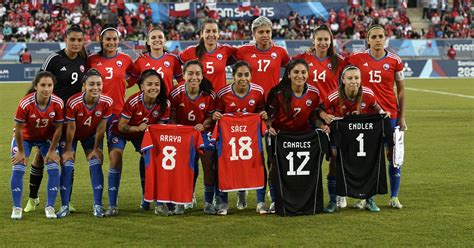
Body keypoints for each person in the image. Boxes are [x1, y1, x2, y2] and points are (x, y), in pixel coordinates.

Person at [24, 24, 87, 214]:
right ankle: (33, 198)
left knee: (69, 156)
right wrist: (27, 110)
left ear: (83, 41)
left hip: (71, 119)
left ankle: (67, 200)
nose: (75, 43)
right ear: (65, 39)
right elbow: (39, 84)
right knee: (41, 157)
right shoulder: (54, 59)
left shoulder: (84, 59)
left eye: (79, 40)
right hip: (50, 117)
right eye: (72, 39)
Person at [346, 24, 407, 210]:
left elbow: (402, 90)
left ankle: (394, 196)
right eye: (374, 37)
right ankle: (364, 196)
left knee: (393, 155)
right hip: (366, 116)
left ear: (385, 38)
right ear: (368, 39)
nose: (378, 40)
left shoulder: (395, 60)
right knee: (367, 157)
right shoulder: (356, 58)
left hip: (390, 115)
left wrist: (402, 117)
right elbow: (336, 63)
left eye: (381, 36)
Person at [319, 65, 388, 212]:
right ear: (343, 80)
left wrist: (383, 113)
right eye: (349, 78)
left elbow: (378, 109)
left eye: (356, 78)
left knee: (366, 163)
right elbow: (320, 109)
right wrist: (325, 117)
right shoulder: (334, 96)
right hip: (341, 136)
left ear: (361, 80)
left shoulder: (368, 94)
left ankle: (369, 199)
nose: (353, 81)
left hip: (361, 136)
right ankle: (332, 200)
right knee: (334, 161)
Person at [293, 24, 348, 210]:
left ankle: (336, 197)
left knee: (336, 157)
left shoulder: (339, 61)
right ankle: (310, 196)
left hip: (333, 115)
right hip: (310, 114)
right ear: (313, 41)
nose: (323, 43)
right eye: (320, 39)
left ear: (331, 41)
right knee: (312, 158)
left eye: (326, 39)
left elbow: (353, 80)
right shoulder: (303, 58)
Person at [266, 59, 329, 213]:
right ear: (288, 74)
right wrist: (269, 127)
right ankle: (275, 200)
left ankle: (303, 199)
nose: (299, 75)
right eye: (295, 72)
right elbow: (267, 115)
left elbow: (314, 116)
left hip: (303, 137)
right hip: (281, 136)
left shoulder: (314, 93)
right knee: (274, 167)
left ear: (308, 74)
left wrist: (323, 126)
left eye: (303, 72)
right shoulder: (277, 92)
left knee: (304, 171)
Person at [106, 69, 170, 216]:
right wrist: (136, 127)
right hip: (121, 131)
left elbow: (160, 128)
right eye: (149, 84)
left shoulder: (164, 103)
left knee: (151, 157)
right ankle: (112, 205)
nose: (153, 87)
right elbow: (121, 125)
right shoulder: (134, 101)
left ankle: (150, 200)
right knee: (115, 160)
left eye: (157, 84)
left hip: (141, 134)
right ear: (142, 87)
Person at [212, 61, 268, 214]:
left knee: (257, 165)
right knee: (224, 167)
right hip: (228, 139)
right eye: (239, 75)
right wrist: (216, 115)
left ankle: (261, 202)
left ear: (251, 75)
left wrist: (262, 115)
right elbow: (216, 114)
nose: (243, 78)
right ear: (233, 76)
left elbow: (261, 110)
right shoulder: (223, 93)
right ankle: (223, 202)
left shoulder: (258, 91)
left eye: (246, 75)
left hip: (250, 138)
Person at [57, 69, 112, 218]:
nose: (95, 87)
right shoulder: (73, 102)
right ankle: (64, 206)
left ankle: (98, 205)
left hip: (90, 136)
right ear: (84, 86)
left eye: (98, 84)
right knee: (67, 165)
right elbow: (71, 128)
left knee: (95, 162)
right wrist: (68, 149)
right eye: (91, 84)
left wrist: (96, 148)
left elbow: (102, 127)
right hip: (71, 136)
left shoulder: (107, 102)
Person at [10, 71, 64, 220]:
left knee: (53, 169)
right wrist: (21, 151)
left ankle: (50, 207)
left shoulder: (58, 103)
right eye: (43, 85)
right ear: (36, 86)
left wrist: (52, 150)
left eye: (49, 85)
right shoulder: (26, 103)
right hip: (25, 139)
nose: (46, 89)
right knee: (19, 168)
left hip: (45, 138)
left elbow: (59, 128)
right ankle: (16, 207)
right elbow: (19, 129)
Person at [169, 60, 216, 215]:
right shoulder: (176, 93)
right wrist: (178, 130)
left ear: (202, 76)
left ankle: (208, 202)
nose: (194, 77)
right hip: (182, 135)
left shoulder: (209, 94)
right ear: (183, 75)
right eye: (190, 73)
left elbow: (211, 117)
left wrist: (204, 125)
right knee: (183, 166)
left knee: (208, 161)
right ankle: (182, 201)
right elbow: (172, 117)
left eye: (197, 74)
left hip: (202, 132)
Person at [235, 16, 290, 99]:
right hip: (251, 100)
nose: (265, 35)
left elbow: (291, 68)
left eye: (268, 32)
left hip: (273, 100)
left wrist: (283, 86)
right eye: (261, 32)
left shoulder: (280, 51)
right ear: (253, 34)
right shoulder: (243, 51)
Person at [179, 19, 236, 91]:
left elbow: (243, 55)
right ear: (202, 34)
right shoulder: (191, 51)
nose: (211, 34)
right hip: (199, 98)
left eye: (214, 31)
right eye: (208, 31)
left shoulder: (226, 50)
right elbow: (175, 64)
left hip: (219, 98)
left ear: (218, 34)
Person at [131, 27, 183, 94]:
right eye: (153, 38)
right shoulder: (141, 59)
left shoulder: (173, 59)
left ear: (164, 41)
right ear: (148, 42)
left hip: (168, 102)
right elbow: (131, 81)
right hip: (149, 103)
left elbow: (181, 82)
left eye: (160, 37)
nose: (157, 39)